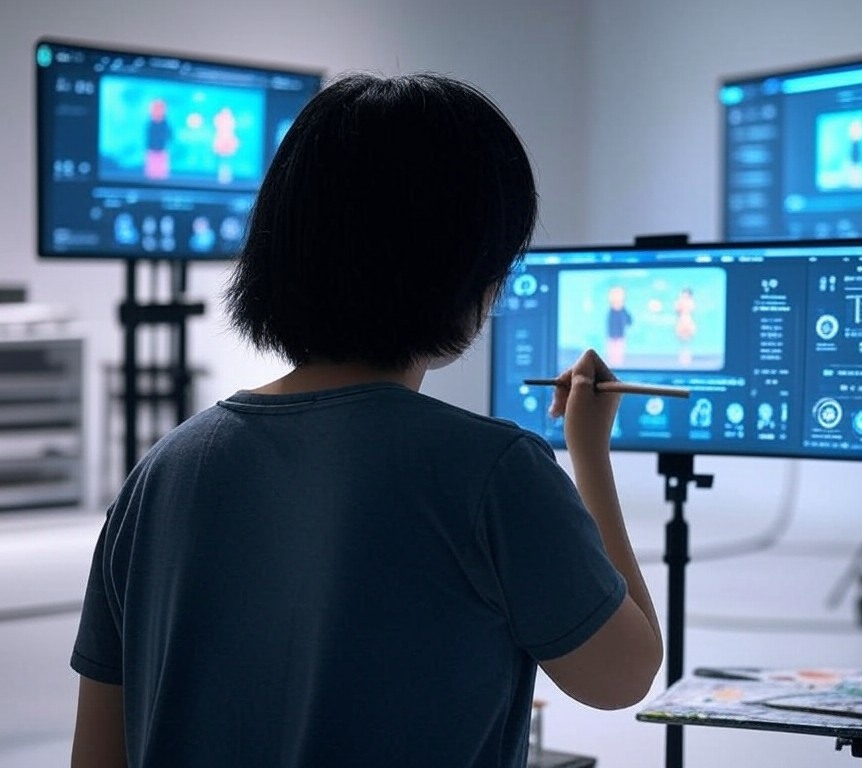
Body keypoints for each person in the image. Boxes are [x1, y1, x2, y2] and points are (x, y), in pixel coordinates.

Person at [70, 72, 662, 768]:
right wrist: (589, 452)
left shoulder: (161, 472)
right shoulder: (493, 473)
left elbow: (96, 757)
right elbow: (622, 674)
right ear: (470, 271)